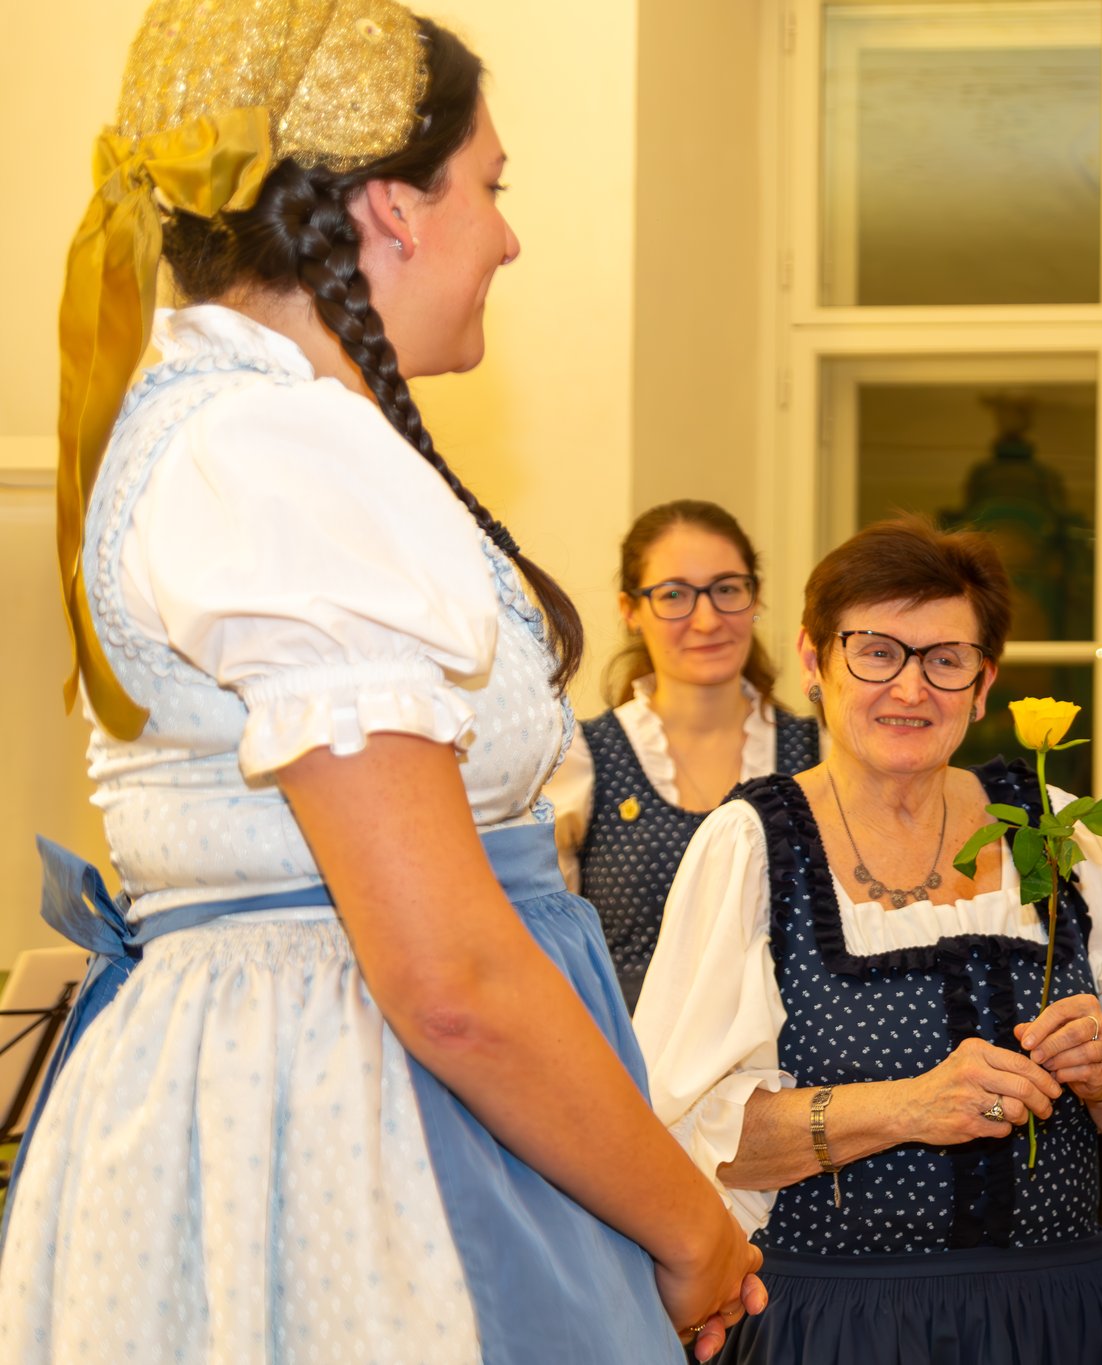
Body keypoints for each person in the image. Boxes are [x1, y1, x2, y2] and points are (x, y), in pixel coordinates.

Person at [0, 4, 763, 1360]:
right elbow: (448, 974)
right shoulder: (280, 454)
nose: (507, 238)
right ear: (393, 206)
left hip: (293, 1086)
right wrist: (689, 1225)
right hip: (364, 1132)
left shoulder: (212, 425)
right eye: (490, 186)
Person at [634, 518, 1102, 1361]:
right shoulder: (752, 845)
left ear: (983, 683)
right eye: (876, 652)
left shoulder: (1056, 832)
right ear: (813, 661)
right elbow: (700, 1137)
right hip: (837, 1325)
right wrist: (908, 1107)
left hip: (1057, 1319)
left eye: (945, 659)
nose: (910, 689)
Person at [544, 500, 820, 1009]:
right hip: (632, 1051)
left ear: (755, 597)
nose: (707, 619)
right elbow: (552, 958)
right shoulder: (583, 759)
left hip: (792, 1053)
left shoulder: (818, 753)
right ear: (630, 610)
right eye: (674, 595)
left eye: (727, 589)